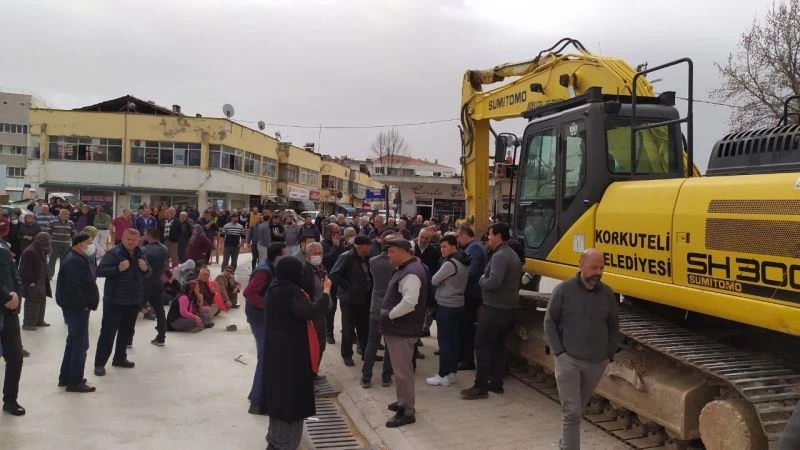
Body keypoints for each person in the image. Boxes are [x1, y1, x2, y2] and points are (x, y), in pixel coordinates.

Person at [544, 248, 619, 450]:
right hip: (569, 360)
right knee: (572, 412)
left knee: (577, 410)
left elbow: (614, 326)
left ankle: (564, 443)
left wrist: (609, 355)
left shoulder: (608, 294)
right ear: (581, 264)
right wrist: (559, 352)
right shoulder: (563, 290)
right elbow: (550, 321)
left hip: (596, 363)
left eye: (601, 267)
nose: (598, 272)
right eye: (594, 267)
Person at [260, 256, 331, 450]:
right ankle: (285, 445)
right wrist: (326, 292)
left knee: (278, 400)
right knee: (291, 402)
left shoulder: (274, 288)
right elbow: (312, 311)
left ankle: (274, 441)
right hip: (292, 355)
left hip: (276, 351)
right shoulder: (291, 291)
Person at [461, 223, 522, 400]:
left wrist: (481, 280)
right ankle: (496, 382)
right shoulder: (510, 254)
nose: (488, 238)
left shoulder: (500, 256)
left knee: (482, 345)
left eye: (490, 235)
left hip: (494, 308)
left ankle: (480, 386)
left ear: (498, 236)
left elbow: (493, 282)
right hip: (506, 308)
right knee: (498, 346)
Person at [380, 238, 427, 428]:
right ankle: (402, 401)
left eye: (391, 251)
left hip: (401, 328)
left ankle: (407, 410)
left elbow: (409, 302)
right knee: (400, 370)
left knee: (402, 372)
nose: (388, 255)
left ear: (403, 251)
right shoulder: (408, 268)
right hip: (399, 327)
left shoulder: (411, 273)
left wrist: (390, 315)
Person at [93, 228, 151, 376]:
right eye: (128, 239)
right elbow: (99, 271)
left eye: (134, 240)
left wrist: (145, 269)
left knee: (126, 331)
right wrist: (117, 268)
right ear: (123, 239)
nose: (131, 242)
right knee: (108, 332)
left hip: (133, 299)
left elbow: (148, 273)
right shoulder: (113, 253)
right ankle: (99, 363)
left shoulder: (140, 253)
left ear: (138, 240)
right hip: (114, 300)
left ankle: (120, 358)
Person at [244, 242, 285, 415]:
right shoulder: (264, 271)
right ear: (276, 256)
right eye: (284, 254)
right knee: (265, 358)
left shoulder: (270, 268)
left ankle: (256, 394)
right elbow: (249, 293)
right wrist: (268, 306)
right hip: (259, 319)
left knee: (267, 357)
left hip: (262, 318)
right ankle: (257, 402)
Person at [55, 233, 100, 393]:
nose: (91, 246)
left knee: (73, 341)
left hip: (74, 307)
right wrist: (83, 305)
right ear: (78, 244)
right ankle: (75, 381)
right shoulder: (73, 260)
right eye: (88, 243)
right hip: (76, 308)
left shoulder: (76, 257)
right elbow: (73, 287)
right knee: (80, 344)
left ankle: (66, 376)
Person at [426, 234, 470, 387]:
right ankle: (451, 374)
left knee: (444, 342)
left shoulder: (450, 263)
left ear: (453, 246)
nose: (442, 250)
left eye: (444, 246)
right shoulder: (463, 260)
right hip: (458, 304)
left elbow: (433, 280)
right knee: (454, 341)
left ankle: (443, 374)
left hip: (446, 305)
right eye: (441, 247)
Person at [330, 235, 373, 367]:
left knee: (364, 328)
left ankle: (366, 353)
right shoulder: (346, 257)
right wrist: (349, 287)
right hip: (349, 300)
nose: (369, 250)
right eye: (367, 248)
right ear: (360, 246)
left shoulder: (366, 258)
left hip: (365, 298)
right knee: (348, 329)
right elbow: (334, 274)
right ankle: (347, 355)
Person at [361, 230, 396, 389]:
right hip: (392, 308)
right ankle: (386, 377)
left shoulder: (373, 261)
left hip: (376, 307)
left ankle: (366, 377)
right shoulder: (396, 263)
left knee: (372, 342)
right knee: (390, 344)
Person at [456, 224, 487, 370]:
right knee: (465, 327)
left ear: (464, 235)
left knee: (466, 327)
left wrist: (457, 282)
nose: (457, 240)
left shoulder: (473, 248)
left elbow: (472, 272)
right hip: (472, 293)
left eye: (458, 236)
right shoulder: (475, 247)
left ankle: (467, 359)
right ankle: (464, 357)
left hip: (471, 294)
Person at [0, 243, 24, 416]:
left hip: (9, 312)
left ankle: (10, 399)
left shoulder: (4, 249)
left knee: (15, 357)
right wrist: (7, 297)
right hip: (5, 302)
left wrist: (16, 298)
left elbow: (16, 277)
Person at [142, 228, 169, 346]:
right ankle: (161, 337)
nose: (143, 235)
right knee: (160, 310)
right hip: (157, 283)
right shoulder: (164, 248)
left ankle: (128, 340)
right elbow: (165, 266)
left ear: (149, 235)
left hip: (143, 284)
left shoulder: (143, 250)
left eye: (144, 233)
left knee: (132, 311)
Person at [19, 232, 52, 330]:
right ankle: (28, 323)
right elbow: (25, 269)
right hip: (33, 282)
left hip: (41, 280)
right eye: (48, 240)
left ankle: (39, 320)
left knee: (41, 300)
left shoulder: (41, 249)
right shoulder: (30, 251)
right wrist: (31, 282)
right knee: (32, 302)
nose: (50, 242)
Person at [322, 223, 345, 344]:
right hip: (329, 279)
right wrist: (335, 247)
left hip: (341, 279)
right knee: (331, 307)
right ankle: (329, 332)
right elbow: (326, 260)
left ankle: (348, 332)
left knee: (345, 308)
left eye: (339, 232)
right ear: (329, 233)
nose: (338, 235)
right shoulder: (323, 245)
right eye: (336, 233)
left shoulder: (341, 243)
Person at [48, 209, 76, 279]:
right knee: (52, 261)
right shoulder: (52, 222)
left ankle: (62, 276)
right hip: (54, 245)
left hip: (66, 246)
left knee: (64, 262)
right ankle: (49, 276)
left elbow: (73, 234)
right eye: (63, 213)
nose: (65, 215)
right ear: (59, 214)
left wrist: (75, 244)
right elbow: (48, 233)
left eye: (67, 214)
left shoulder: (71, 223)